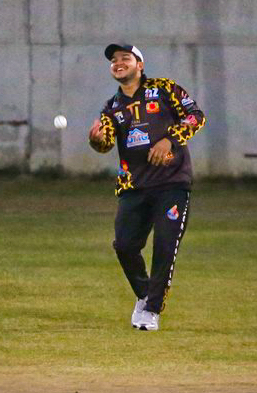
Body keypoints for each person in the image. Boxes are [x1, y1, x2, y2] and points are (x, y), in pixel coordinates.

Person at [88, 43, 206, 331]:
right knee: (125, 246)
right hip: (134, 185)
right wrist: (96, 140)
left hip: (172, 183)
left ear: (139, 64)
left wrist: (170, 140)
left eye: (125, 58)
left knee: (165, 245)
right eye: (114, 60)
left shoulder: (164, 89)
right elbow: (105, 144)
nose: (118, 63)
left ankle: (152, 309)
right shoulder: (112, 107)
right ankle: (144, 295)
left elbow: (196, 116)